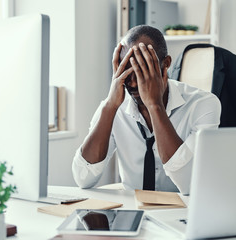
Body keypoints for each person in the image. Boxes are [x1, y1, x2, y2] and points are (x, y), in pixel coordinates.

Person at [72, 25, 221, 194]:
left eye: (142, 70)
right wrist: (110, 106)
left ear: (166, 64)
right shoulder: (114, 106)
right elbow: (83, 179)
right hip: (132, 209)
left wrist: (154, 105)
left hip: (180, 213)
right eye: (127, 71)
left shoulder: (203, 104)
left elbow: (188, 184)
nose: (133, 83)